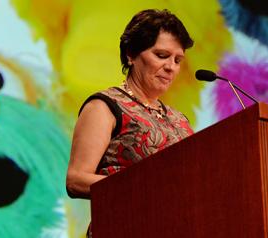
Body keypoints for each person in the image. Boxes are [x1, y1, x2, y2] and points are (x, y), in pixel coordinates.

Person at [66, 9, 194, 234]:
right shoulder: (105, 106)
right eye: (162, 55)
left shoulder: (179, 119)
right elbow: (76, 180)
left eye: (178, 60)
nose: (171, 67)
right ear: (131, 54)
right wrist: (142, 188)